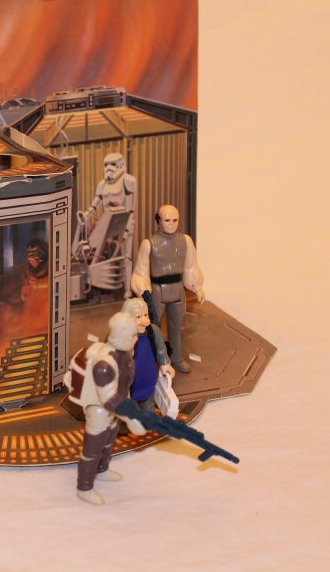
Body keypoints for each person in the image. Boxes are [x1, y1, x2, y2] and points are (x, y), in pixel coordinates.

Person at [66, 311, 148, 505]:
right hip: (99, 411)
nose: (136, 339)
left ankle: (102, 469)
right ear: (123, 336)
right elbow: (108, 399)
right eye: (133, 335)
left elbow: (124, 385)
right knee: (93, 449)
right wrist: (130, 418)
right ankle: (84, 487)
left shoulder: (126, 354)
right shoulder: (104, 365)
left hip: (117, 408)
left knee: (109, 441)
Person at [130, 204, 204, 373]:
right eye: (167, 220)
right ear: (158, 221)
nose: (171, 223)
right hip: (157, 290)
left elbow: (190, 266)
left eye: (175, 220)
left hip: (178, 288)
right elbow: (141, 269)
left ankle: (176, 358)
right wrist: (142, 291)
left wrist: (197, 287)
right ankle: (153, 360)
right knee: (153, 327)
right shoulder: (149, 243)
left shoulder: (186, 241)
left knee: (177, 326)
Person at [120, 297, 176, 412]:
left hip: (148, 376)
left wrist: (165, 364)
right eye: (138, 317)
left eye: (146, 314)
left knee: (148, 403)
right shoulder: (121, 335)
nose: (145, 320)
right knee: (129, 408)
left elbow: (161, 349)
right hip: (130, 381)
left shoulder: (153, 331)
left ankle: (149, 416)